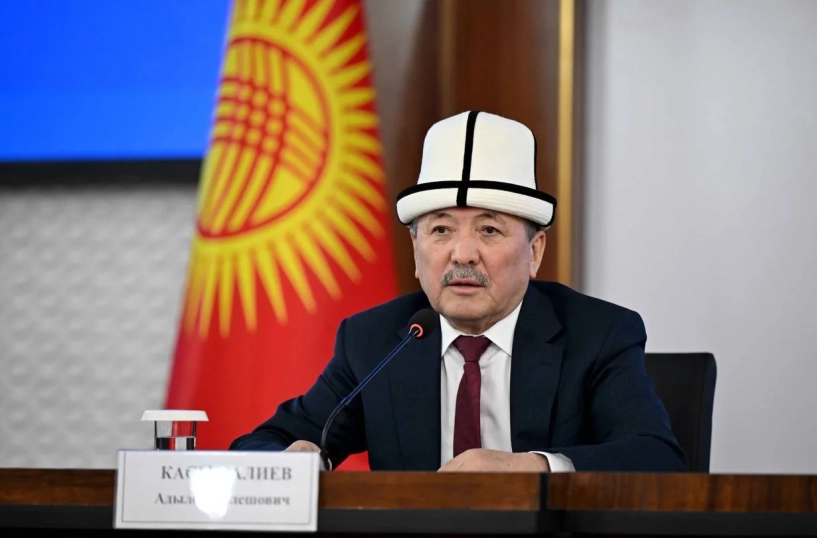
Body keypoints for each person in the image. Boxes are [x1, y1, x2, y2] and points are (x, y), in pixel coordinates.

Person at [230, 110, 688, 472]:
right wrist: (295, 460)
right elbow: (261, 443)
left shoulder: (598, 334)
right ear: (416, 252)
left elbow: (656, 458)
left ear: (534, 253)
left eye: (489, 230)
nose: (462, 254)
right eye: (441, 230)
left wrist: (533, 467)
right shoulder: (375, 341)